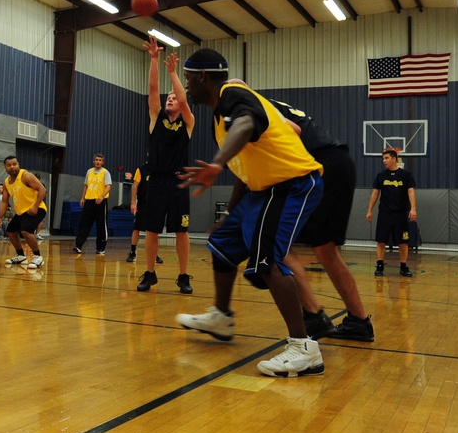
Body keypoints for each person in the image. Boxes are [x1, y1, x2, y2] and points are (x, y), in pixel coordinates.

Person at [175, 48, 325, 378]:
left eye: (188, 80)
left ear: (202, 77)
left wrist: (215, 163)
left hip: (292, 185)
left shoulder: (233, 94)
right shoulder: (218, 117)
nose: (186, 88)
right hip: (261, 191)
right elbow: (245, 167)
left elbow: (246, 124)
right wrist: (231, 214)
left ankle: (304, 347)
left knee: (267, 259)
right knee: (222, 245)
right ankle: (222, 318)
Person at [264, 97, 375, 342]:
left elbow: (291, 131)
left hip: (318, 166)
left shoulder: (248, 104)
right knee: (326, 250)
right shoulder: (269, 102)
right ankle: (359, 322)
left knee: (274, 242)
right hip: (339, 162)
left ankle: (313, 315)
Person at [135, 43, 195, 295]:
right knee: (151, 229)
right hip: (156, 182)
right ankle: (150, 273)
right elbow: (152, 90)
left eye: (173, 98)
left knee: (181, 231)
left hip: (178, 183)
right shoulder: (156, 118)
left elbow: (182, 97)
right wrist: (154, 60)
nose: (170, 99)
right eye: (167, 98)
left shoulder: (188, 123)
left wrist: (173, 73)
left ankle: (183, 276)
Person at [367, 149, 417, 278]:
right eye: (383, 158)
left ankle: (404, 266)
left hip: (400, 214)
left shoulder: (406, 175)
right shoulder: (381, 176)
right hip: (385, 213)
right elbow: (375, 194)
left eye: (386, 158)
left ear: (394, 159)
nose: (384, 161)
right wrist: (369, 210)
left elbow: (411, 192)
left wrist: (413, 208)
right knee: (381, 241)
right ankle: (379, 265)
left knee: (403, 242)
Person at [0, 155, 47, 268]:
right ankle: (21, 256)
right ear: (5, 167)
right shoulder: (6, 182)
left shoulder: (26, 175)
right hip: (22, 212)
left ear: (18, 164)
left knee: (25, 230)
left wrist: (35, 206)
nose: (12, 167)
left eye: (14, 164)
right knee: (10, 231)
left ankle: (38, 257)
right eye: (9, 165)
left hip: (37, 208)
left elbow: (42, 189)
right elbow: (4, 201)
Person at [73, 154, 111, 254]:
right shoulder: (89, 172)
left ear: (102, 162)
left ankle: (101, 247)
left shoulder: (105, 172)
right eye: (96, 160)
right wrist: (83, 198)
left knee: (101, 225)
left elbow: (108, 186)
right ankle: (78, 245)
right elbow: (86, 186)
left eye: (100, 160)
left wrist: (102, 196)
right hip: (89, 201)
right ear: (93, 161)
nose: (98, 161)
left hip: (100, 201)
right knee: (84, 223)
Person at [126, 164, 162, 265]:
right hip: (143, 204)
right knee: (137, 228)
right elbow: (135, 185)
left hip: (155, 204)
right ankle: (132, 252)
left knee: (154, 231)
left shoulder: (160, 169)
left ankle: (155, 254)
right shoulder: (141, 169)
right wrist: (133, 202)